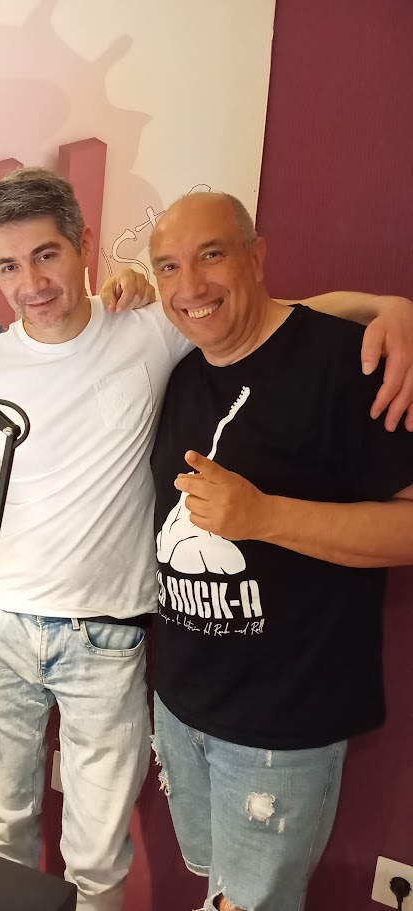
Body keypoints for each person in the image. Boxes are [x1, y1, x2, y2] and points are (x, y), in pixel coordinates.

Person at [0, 168, 413, 911]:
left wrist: (391, 308)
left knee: (98, 860)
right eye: (7, 265)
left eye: (46, 254)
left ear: (83, 244)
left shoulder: (151, 328)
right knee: (2, 840)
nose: (30, 282)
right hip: (1, 632)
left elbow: (281, 317)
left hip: (109, 641)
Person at [147, 191, 413, 911]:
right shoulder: (182, 369)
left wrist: (264, 516)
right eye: (168, 266)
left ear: (256, 257)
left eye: (211, 254)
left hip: (282, 727)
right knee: (216, 887)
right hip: (182, 708)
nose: (189, 285)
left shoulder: (346, 362)